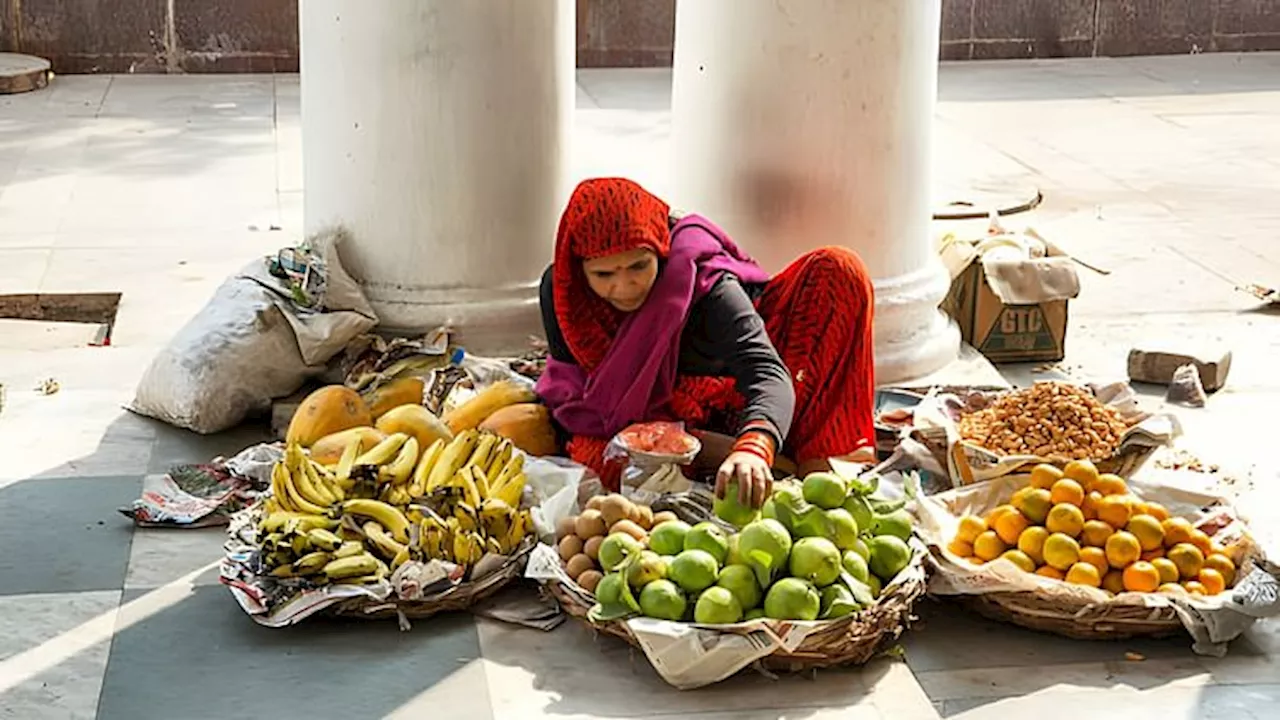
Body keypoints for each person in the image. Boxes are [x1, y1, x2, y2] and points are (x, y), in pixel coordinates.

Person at [535, 177, 876, 508]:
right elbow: (572, 393)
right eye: (604, 274)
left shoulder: (702, 281)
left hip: (737, 397)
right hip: (656, 420)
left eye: (639, 265)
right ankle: (722, 453)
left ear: (661, 250)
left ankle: (795, 461)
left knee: (839, 269)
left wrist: (754, 446)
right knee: (602, 462)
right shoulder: (565, 292)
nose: (625, 287)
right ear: (579, 269)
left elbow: (765, 370)